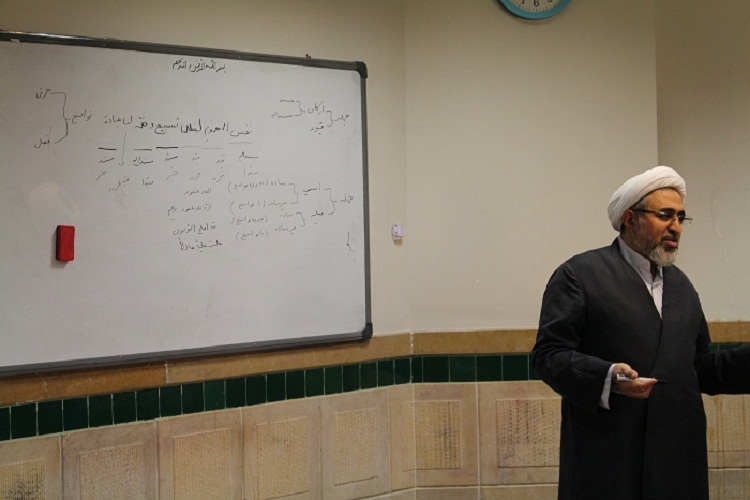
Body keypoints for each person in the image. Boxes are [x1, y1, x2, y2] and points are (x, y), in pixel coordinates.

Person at [532, 165, 750, 500]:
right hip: (610, 457)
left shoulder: (681, 286)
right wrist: (609, 377)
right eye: (665, 215)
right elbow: (549, 356)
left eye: (681, 217)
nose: (676, 226)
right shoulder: (580, 276)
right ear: (630, 219)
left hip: (677, 459)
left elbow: (699, 368)